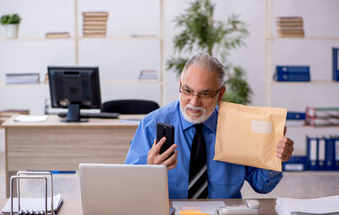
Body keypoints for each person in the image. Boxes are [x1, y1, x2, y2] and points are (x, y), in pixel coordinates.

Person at [125, 54, 294, 199]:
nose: (194, 102)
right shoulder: (151, 125)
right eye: (187, 90)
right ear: (180, 84)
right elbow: (129, 190)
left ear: (220, 93)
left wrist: (275, 158)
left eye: (205, 94)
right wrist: (148, 172)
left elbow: (261, 186)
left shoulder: (239, 126)